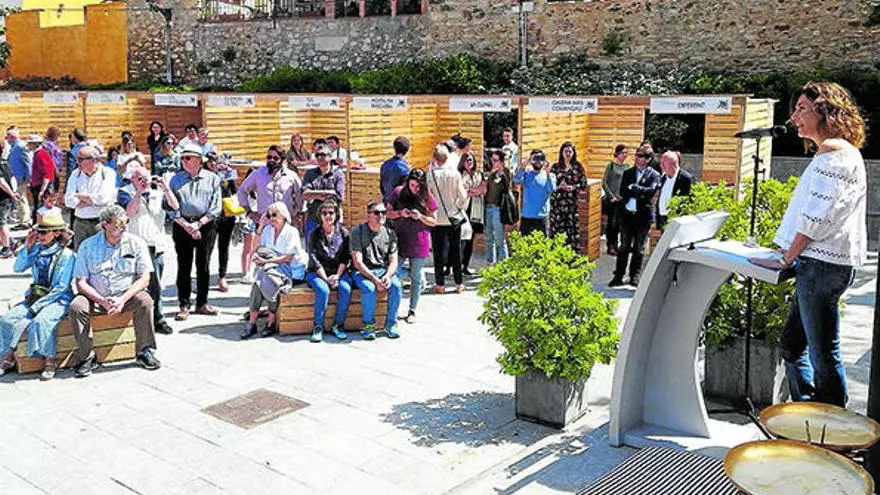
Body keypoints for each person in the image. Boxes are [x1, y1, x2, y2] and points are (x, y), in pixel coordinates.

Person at [749, 82, 867, 407]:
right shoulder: (840, 152)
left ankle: (830, 421)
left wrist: (786, 258)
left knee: (822, 352)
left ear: (825, 110)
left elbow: (817, 217)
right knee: (792, 345)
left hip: (820, 266)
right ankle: (808, 412)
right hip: (821, 265)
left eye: (802, 108)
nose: (794, 117)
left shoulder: (833, 154)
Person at [69, 205, 160, 377]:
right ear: (105, 224)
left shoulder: (136, 243)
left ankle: (144, 350)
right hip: (96, 298)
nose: (124, 226)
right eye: (119, 223)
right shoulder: (87, 246)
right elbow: (81, 282)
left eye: (126, 221)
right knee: (77, 306)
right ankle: (87, 357)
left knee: (145, 301)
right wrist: (102, 301)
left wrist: (122, 299)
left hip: (126, 295)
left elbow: (145, 278)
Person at [0, 213, 75, 381]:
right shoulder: (37, 250)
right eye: (37, 232)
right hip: (36, 296)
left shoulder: (67, 255)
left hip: (58, 299)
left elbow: (61, 287)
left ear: (56, 233)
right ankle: (8, 355)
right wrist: (27, 247)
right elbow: (18, 268)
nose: (39, 236)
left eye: (43, 232)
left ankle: (50, 360)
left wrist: (38, 306)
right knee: (8, 319)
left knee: (42, 321)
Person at [118, 167, 179, 335]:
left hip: (155, 245)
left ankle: (158, 318)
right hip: (134, 246)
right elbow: (128, 213)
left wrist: (166, 188)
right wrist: (139, 192)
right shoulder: (124, 192)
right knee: (134, 284)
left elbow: (175, 206)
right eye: (139, 178)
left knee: (156, 285)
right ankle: (135, 319)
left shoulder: (158, 193)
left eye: (146, 178)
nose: (144, 181)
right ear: (132, 180)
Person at [167, 144, 223, 321]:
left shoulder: (213, 179)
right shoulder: (175, 179)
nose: (183, 161)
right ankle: (184, 305)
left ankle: (202, 303)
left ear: (199, 160)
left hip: (206, 225)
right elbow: (170, 207)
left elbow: (216, 207)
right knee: (184, 266)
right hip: (182, 225)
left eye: (187, 158)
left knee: (203, 265)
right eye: (182, 158)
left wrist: (198, 224)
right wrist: (186, 225)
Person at [241, 201, 309, 339]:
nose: (271, 218)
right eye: (269, 215)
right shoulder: (267, 230)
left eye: (274, 215)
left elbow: (288, 258)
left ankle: (264, 321)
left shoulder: (292, 231)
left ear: (283, 215)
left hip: (289, 269)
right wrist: (260, 228)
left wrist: (265, 261)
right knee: (260, 282)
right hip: (271, 267)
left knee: (265, 279)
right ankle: (256, 322)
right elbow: (256, 249)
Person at [238, 145, 303, 281]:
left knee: (286, 258)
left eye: (275, 158)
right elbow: (242, 191)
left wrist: (298, 214)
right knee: (262, 257)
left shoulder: (291, 176)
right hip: (265, 225)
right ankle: (263, 285)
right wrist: (249, 212)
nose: (271, 160)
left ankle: (284, 285)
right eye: (269, 157)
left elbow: (300, 196)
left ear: (283, 160)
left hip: (285, 226)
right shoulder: (258, 174)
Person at [386, 169, 437, 323]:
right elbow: (386, 213)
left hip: (419, 240)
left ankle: (412, 309)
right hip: (400, 238)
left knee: (416, 278)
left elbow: (434, 221)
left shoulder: (427, 196)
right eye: (412, 185)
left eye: (418, 186)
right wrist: (400, 213)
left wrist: (420, 217)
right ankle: (393, 308)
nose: (415, 189)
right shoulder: (398, 192)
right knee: (394, 273)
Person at [609, 144, 661, 287]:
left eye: (641, 156)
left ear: (648, 159)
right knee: (624, 246)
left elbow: (650, 192)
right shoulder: (628, 173)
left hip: (643, 217)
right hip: (627, 215)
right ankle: (618, 276)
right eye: (637, 155)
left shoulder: (654, 175)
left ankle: (634, 276)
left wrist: (635, 188)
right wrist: (640, 192)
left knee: (639, 248)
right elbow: (623, 191)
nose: (637, 158)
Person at [350, 200, 402, 340]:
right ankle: (368, 325)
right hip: (362, 272)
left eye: (384, 212)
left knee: (396, 286)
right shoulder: (358, 232)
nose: (381, 215)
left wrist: (387, 276)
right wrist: (374, 279)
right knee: (369, 288)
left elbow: (394, 261)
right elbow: (357, 262)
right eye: (377, 212)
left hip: (382, 270)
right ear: (368, 215)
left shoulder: (390, 233)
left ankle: (391, 324)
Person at [306, 199, 352, 343]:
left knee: (345, 289)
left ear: (336, 214)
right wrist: (326, 279)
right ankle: (318, 327)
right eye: (324, 213)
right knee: (323, 290)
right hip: (317, 272)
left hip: (339, 271)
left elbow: (345, 257)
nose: (328, 216)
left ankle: (338, 325)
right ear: (320, 216)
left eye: (331, 212)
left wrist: (337, 276)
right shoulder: (313, 234)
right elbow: (314, 259)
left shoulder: (344, 233)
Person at [426, 144, 468, 293]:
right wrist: (458, 207)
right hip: (453, 216)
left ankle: (440, 284)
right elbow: (463, 195)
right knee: (455, 250)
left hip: (437, 218)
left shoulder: (430, 175)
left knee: (438, 252)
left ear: (435, 158)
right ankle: (458, 283)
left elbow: (428, 197)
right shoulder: (455, 174)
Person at [64, 145, 118, 250]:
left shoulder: (107, 173)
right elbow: (68, 201)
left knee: (101, 253)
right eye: (77, 159)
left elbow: (104, 198)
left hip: (100, 223)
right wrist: (93, 201)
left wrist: (80, 196)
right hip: (80, 224)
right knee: (80, 254)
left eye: (81, 159)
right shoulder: (75, 174)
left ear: (93, 160)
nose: (77, 162)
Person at [204, 152, 237, 293]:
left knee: (224, 247)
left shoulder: (226, 175)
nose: (213, 164)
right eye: (210, 161)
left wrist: (229, 174)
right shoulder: (203, 176)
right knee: (206, 249)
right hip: (209, 217)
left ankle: (222, 276)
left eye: (215, 161)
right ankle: (203, 278)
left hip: (226, 215)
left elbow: (234, 191)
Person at [301, 143, 345, 243]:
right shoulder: (310, 173)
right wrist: (326, 193)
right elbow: (304, 195)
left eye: (322, 155)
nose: (319, 157)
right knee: (311, 249)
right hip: (313, 219)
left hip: (331, 221)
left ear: (330, 156)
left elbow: (339, 197)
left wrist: (314, 195)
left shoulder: (338, 174)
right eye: (317, 155)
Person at [548, 142, 588, 252]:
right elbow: (549, 184)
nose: (568, 154)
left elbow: (583, 183)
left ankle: (572, 255)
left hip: (571, 204)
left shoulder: (578, 167)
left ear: (574, 153)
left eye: (570, 151)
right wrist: (558, 186)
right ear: (561, 153)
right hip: (557, 205)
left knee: (572, 231)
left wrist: (573, 187)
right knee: (557, 231)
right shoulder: (555, 167)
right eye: (566, 151)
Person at [515, 149, 557, 237]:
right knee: (525, 243)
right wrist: (523, 166)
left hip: (542, 217)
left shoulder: (550, 175)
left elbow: (552, 189)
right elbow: (516, 179)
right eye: (535, 158)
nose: (538, 161)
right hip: (527, 216)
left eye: (540, 159)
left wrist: (548, 172)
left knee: (543, 243)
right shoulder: (527, 175)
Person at [459, 151, 485, 275]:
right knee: (460, 239)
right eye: (467, 160)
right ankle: (453, 265)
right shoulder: (459, 175)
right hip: (463, 208)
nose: (469, 162)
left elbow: (483, 189)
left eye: (471, 160)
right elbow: (462, 191)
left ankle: (465, 265)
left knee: (470, 239)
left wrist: (472, 191)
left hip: (475, 209)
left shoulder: (479, 174)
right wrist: (474, 191)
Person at [484, 149, 512, 264]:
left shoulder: (506, 173)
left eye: (495, 160)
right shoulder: (492, 174)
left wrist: (501, 173)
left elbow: (507, 188)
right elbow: (486, 189)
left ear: (501, 162)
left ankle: (503, 264)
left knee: (500, 239)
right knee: (489, 238)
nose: (493, 162)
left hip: (498, 209)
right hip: (489, 208)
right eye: (492, 159)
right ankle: (490, 262)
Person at [655, 150, 694, 231]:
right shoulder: (663, 178)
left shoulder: (685, 178)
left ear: (673, 163)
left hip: (677, 220)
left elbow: (689, 200)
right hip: (663, 218)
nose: (661, 165)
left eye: (664, 163)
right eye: (660, 163)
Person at [602, 144, 629, 255]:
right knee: (611, 224)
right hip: (612, 200)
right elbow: (604, 183)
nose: (625, 155)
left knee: (619, 224)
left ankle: (617, 244)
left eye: (626, 153)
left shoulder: (627, 167)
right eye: (623, 153)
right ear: (617, 153)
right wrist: (611, 196)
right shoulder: (611, 166)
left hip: (622, 200)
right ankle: (610, 245)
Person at [6, 126, 32, 228]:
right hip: (15, 178)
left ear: (12, 137)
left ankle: (24, 221)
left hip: (21, 178)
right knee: (19, 198)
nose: (6, 138)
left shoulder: (20, 146)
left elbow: (28, 162)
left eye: (7, 136)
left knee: (20, 199)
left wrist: (28, 177)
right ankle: (23, 220)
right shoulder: (13, 146)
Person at [27, 134, 55, 226]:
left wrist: (42, 190)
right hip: (39, 185)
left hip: (42, 186)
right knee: (39, 210)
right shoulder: (39, 154)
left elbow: (46, 174)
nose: (28, 145)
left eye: (29, 143)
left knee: (41, 211)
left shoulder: (40, 154)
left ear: (34, 144)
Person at [380, 136, 411, 202]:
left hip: (386, 201)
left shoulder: (385, 164)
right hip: (397, 203)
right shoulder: (405, 169)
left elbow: (381, 186)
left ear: (394, 148)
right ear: (407, 150)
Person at [0, 154, 17, 257]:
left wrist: (12, 194)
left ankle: (7, 248)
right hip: (6, 197)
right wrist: (14, 191)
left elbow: (1, 182)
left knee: (1, 223)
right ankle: (10, 241)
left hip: (2, 198)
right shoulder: (4, 161)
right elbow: (12, 177)